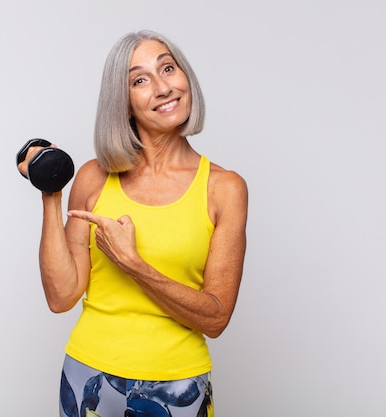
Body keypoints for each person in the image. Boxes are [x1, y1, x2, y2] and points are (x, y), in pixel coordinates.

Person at [18, 30, 248, 417]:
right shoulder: (94, 177)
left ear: (185, 78)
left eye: (168, 69)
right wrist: (51, 192)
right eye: (140, 80)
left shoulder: (224, 189)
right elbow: (61, 297)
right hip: (87, 372)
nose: (162, 88)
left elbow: (216, 317)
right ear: (122, 103)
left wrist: (134, 264)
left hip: (177, 385)